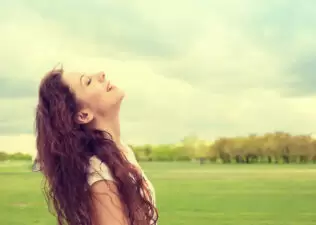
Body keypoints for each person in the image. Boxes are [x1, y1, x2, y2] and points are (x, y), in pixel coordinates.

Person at [35, 66, 158, 225]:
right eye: (88, 82)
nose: (101, 74)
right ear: (84, 115)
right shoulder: (100, 174)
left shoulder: (121, 152)